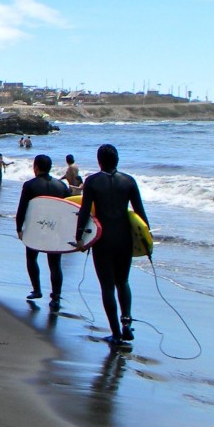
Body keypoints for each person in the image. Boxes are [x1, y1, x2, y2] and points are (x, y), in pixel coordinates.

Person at [75, 144, 149, 348]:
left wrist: (79, 237)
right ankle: (127, 323)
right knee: (123, 281)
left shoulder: (92, 181)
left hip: (103, 240)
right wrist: (146, 240)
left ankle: (116, 333)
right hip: (124, 239)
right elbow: (140, 214)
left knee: (107, 286)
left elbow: (84, 211)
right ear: (117, 160)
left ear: (99, 161)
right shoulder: (129, 181)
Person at [15, 155, 71, 310]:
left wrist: (19, 228)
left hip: (36, 228)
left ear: (36, 167)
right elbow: (69, 210)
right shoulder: (61, 185)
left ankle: (37, 289)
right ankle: (56, 297)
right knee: (55, 264)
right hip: (55, 230)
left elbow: (22, 208)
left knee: (31, 258)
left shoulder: (29, 185)